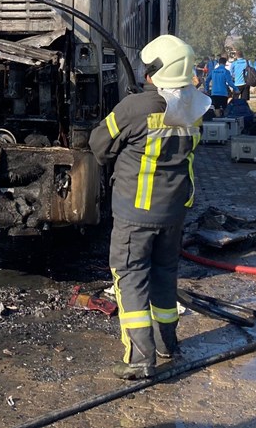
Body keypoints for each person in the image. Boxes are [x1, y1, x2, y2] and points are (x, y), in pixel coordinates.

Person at [89, 35, 209, 380]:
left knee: (129, 278)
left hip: (135, 214)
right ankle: (167, 344)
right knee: (163, 275)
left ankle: (140, 360)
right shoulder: (196, 106)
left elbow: (100, 145)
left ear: (155, 71)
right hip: (174, 212)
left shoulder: (135, 107)